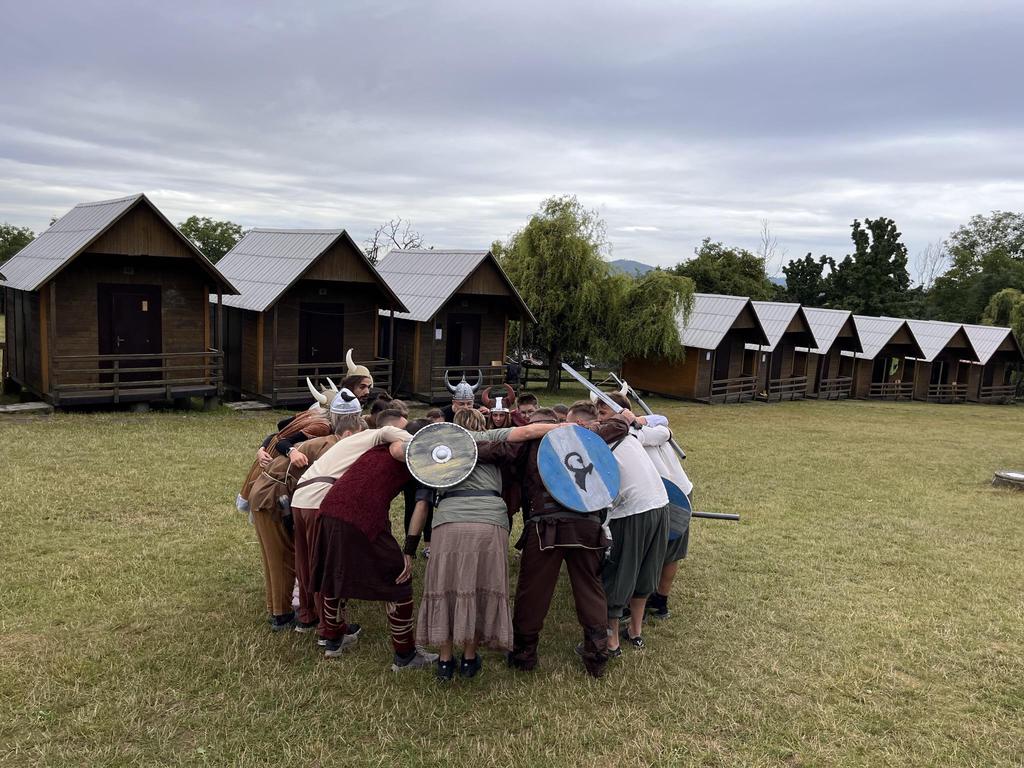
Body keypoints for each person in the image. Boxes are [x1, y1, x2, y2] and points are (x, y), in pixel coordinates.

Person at [411, 409, 562, 682]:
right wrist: (570, 426)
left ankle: (445, 661)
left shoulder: (442, 444)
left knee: (445, 586)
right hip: (489, 520)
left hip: (449, 520)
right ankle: (469, 659)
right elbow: (529, 431)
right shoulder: (491, 436)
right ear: (482, 424)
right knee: (480, 585)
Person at [507, 404, 630, 678]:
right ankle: (596, 655)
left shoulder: (527, 444)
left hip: (547, 527)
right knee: (589, 589)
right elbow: (618, 425)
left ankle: (524, 654)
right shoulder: (585, 436)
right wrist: (624, 416)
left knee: (533, 591)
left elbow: (495, 450)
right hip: (585, 526)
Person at [313, 412, 439, 669]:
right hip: (360, 517)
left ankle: (334, 642)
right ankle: (405, 656)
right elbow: (421, 505)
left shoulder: (378, 448)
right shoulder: (409, 452)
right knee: (398, 578)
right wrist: (408, 552)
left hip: (328, 510)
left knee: (335, 572)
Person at [288, 389, 411, 637]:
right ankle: (327, 629)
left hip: (299, 498)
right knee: (324, 563)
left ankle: (306, 616)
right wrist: (414, 439)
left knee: (306, 562)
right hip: (319, 498)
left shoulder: (345, 443)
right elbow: (387, 433)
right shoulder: (371, 435)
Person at [245, 411, 348, 631]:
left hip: (267, 493)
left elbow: (279, 434)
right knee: (282, 557)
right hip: (271, 496)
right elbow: (280, 437)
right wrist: (278, 450)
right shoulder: (326, 435)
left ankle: (277, 609)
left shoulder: (325, 435)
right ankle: (281, 615)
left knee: (275, 557)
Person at [589, 393, 670, 654]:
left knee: (627, 573)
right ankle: (623, 635)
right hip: (652, 506)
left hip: (644, 509)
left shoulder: (632, 433)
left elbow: (665, 429)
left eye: (603, 413)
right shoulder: (605, 437)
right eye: (597, 413)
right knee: (628, 572)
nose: (598, 418)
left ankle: (626, 635)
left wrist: (639, 420)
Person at [630, 412, 693, 621]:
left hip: (670, 493)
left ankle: (657, 602)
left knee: (663, 551)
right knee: (665, 551)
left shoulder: (631, 434)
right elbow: (664, 424)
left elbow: (662, 425)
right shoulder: (655, 428)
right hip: (677, 490)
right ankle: (654, 600)